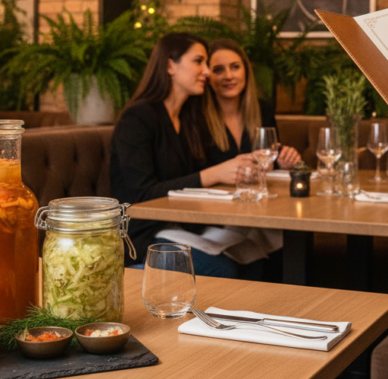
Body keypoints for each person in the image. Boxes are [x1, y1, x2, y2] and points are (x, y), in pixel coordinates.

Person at [110, 33, 274, 279]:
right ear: (169, 65)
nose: (207, 72)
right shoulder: (139, 118)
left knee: (255, 255)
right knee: (222, 268)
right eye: (199, 62)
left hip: (183, 227)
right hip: (142, 235)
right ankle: (137, 277)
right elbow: (139, 195)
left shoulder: (187, 118)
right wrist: (212, 174)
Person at [204, 38, 302, 168]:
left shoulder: (263, 110)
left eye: (235, 67)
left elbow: (270, 161)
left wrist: (284, 160)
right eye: (218, 70)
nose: (228, 76)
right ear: (206, 75)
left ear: (246, 71)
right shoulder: (197, 117)